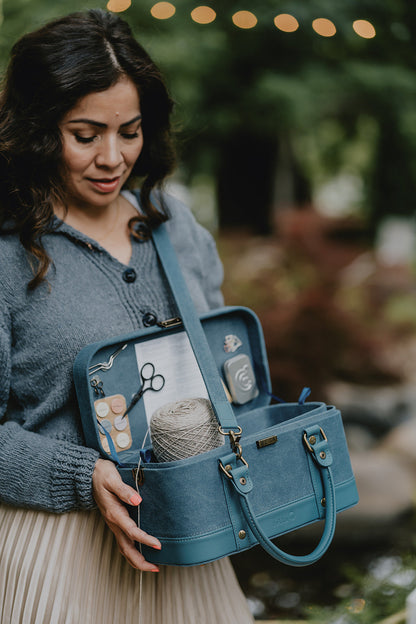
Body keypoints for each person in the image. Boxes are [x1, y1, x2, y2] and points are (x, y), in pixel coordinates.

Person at [0, 9, 255, 624]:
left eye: (130, 131)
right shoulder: (8, 254)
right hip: (61, 555)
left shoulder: (174, 224)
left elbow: (225, 367)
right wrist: (79, 473)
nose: (113, 157)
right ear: (38, 130)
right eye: (85, 135)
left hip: (192, 545)